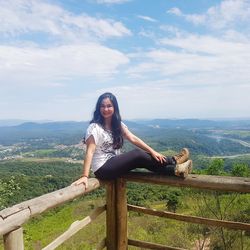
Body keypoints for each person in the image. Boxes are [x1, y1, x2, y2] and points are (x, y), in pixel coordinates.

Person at [72, 92, 192, 188]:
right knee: (137, 154)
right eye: (102, 106)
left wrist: (152, 151)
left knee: (142, 161)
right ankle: (174, 160)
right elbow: (90, 152)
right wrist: (85, 176)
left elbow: (133, 138)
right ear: (98, 108)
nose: (105, 109)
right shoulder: (94, 128)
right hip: (102, 169)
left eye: (109, 106)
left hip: (113, 163)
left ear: (114, 108)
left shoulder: (117, 125)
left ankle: (176, 170)